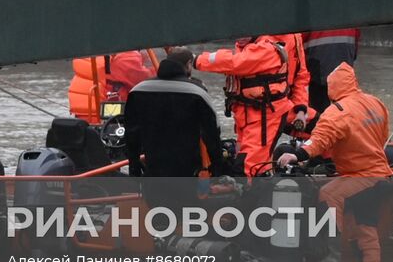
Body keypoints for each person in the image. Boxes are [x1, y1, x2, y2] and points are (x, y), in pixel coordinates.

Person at [277, 62, 391, 262]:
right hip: (381, 173)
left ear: (332, 87)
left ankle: (328, 255)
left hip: (361, 175)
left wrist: (296, 155)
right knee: (365, 223)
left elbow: (318, 141)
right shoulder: (375, 102)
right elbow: (382, 137)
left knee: (329, 195)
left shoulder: (336, 111)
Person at [196, 33, 310, 178]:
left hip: (275, 108)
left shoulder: (272, 45)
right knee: (248, 163)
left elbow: (301, 76)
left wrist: (301, 109)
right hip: (255, 113)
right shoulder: (247, 44)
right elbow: (237, 64)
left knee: (249, 165)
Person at [124, 48, 224, 188]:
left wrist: (134, 167)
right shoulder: (196, 92)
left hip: (153, 173)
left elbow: (131, 134)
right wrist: (218, 169)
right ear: (189, 64)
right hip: (187, 174)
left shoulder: (138, 91)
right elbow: (212, 133)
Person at [68, 50, 156, 122]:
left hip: (85, 111)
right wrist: (158, 72)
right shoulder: (127, 52)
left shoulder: (89, 51)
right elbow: (140, 79)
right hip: (106, 114)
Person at [303, 27, 361, 113]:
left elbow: (298, 42)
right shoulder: (351, 16)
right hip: (344, 65)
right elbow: (356, 40)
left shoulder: (309, 15)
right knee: (344, 109)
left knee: (319, 111)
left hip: (318, 67)